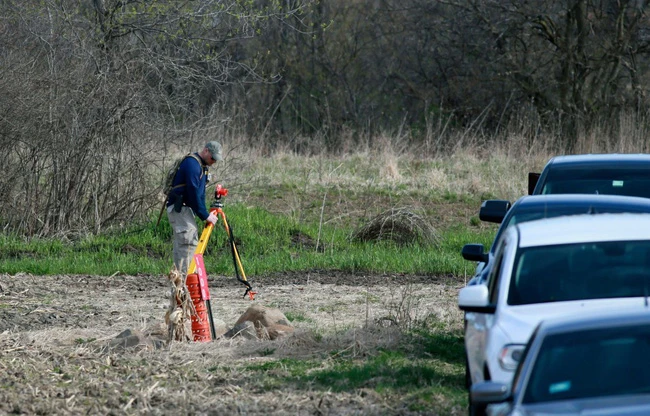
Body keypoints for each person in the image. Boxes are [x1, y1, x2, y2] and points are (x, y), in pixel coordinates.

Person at [166, 141, 223, 275]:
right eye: (212, 157)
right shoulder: (192, 164)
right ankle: (184, 286)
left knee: (184, 246)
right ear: (206, 151)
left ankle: (181, 287)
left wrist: (203, 211)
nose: (214, 161)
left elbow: (199, 194)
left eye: (216, 159)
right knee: (188, 244)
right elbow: (193, 192)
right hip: (180, 209)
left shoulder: (201, 166)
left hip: (185, 210)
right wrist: (205, 215)